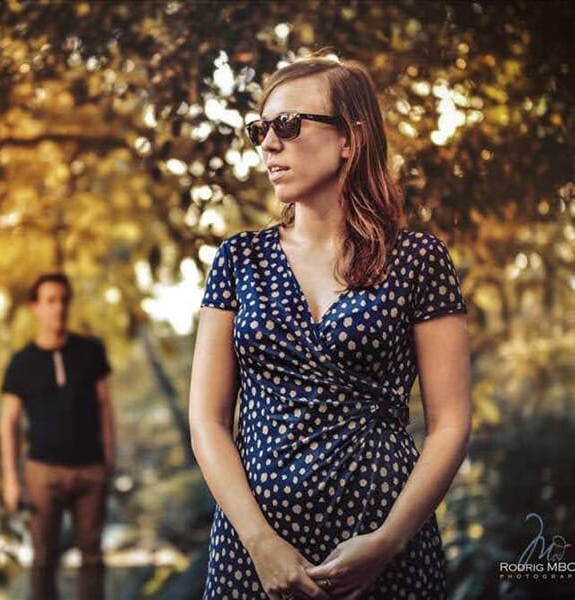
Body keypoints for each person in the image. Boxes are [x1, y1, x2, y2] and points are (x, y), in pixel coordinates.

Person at [189, 53, 471, 600]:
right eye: (260, 130)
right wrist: (260, 543)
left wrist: (387, 542)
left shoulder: (418, 259)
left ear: (350, 138)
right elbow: (207, 420)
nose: (269, 144)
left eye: (288, 125)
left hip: (384, 546)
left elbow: (451, 424)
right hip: (255, 553)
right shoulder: (238, 259)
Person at [0, 272, 115, 600]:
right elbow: (8, 423)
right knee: (43, 559)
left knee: (92, 558)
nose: (58, 308)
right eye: (50, 301)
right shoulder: (21, 363)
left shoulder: (91, 352)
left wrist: (108, 462)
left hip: (90, 468)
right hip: (43, 472)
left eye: (64, 300)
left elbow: (105, 408)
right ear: (35, 307)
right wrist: (11, 480)